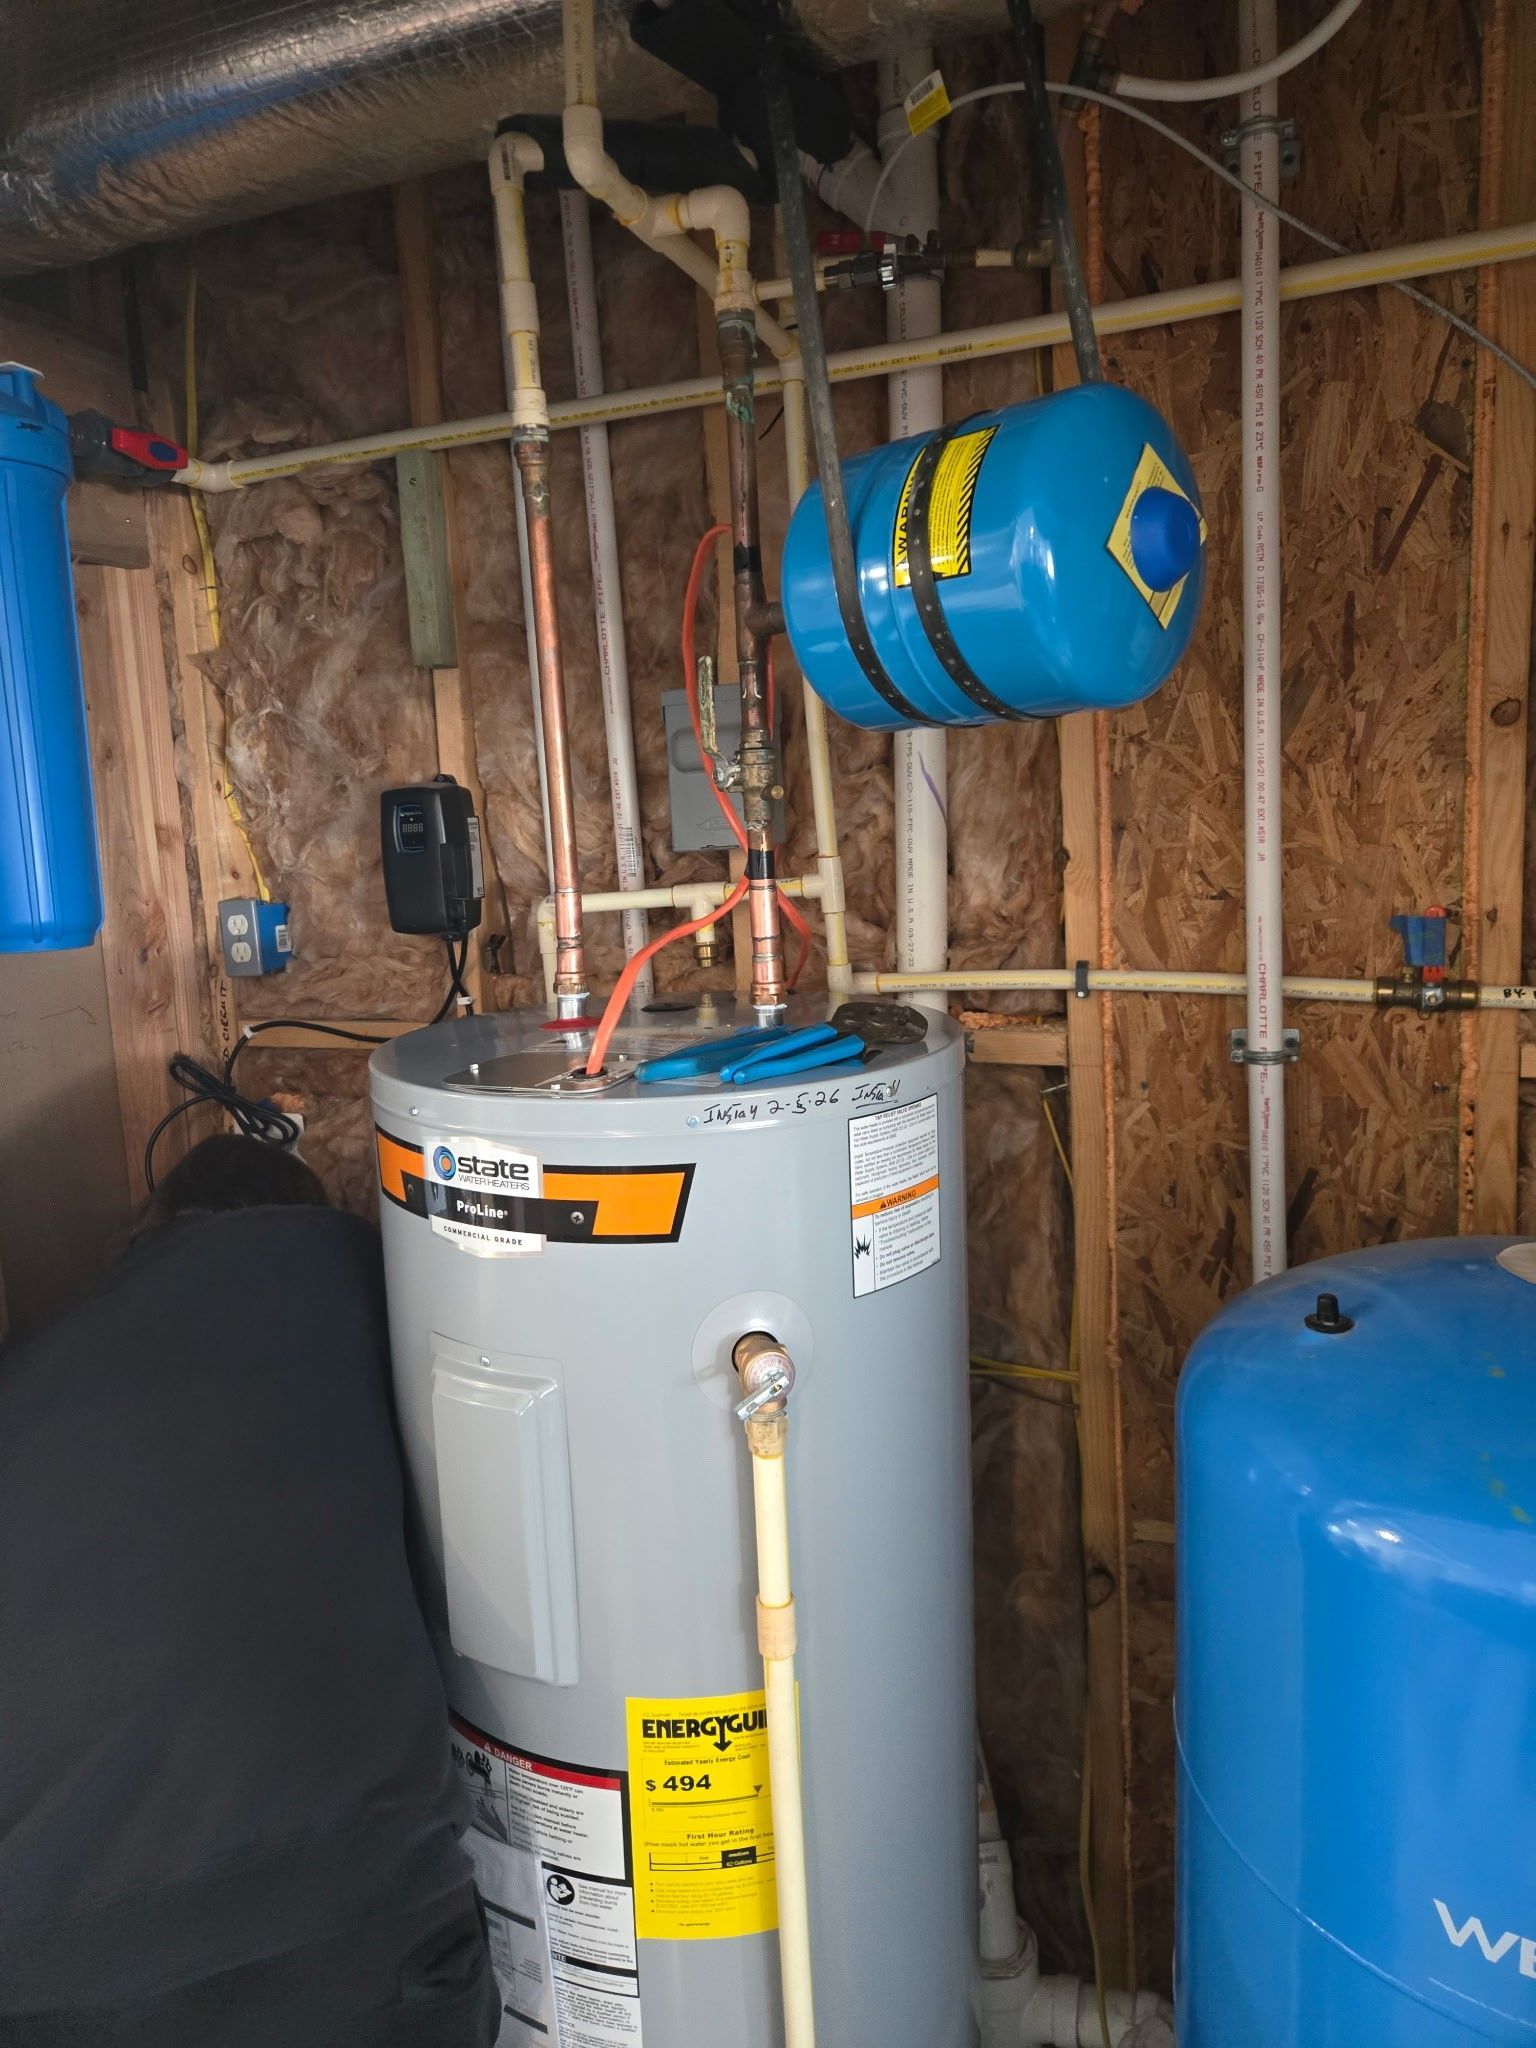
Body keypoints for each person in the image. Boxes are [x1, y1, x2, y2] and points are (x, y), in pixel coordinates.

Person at [0, 1134, 498, 2048]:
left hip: (39, 1983)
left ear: (152, 1238)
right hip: (354, 1955)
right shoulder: (376, 1306)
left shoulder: (37, 1373)